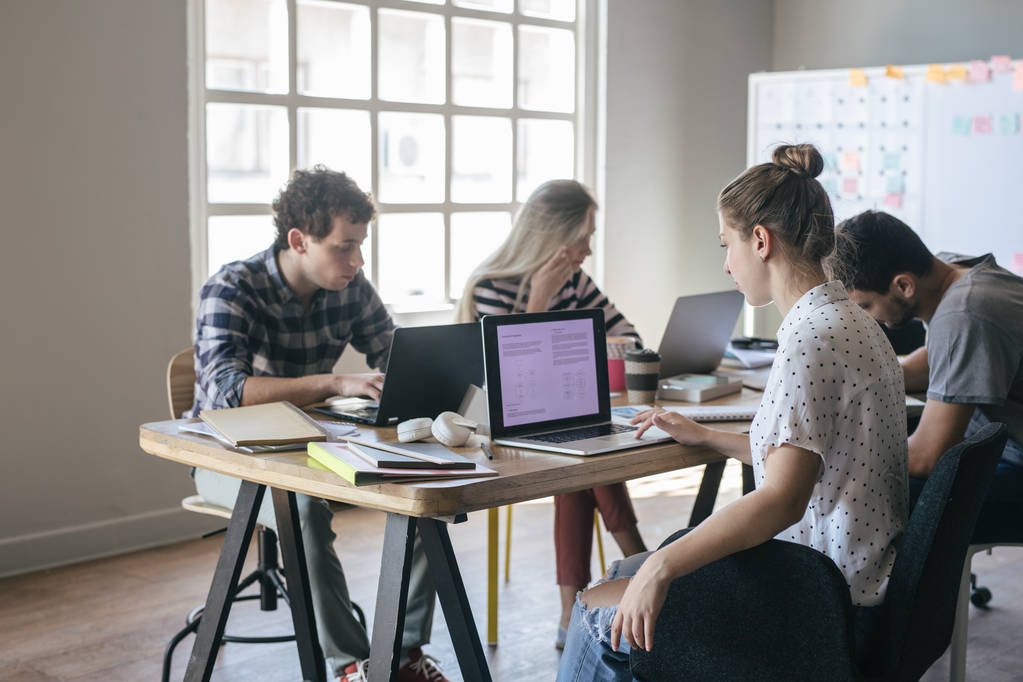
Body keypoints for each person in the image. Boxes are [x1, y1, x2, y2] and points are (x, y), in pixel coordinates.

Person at [556, 145, 908, 681]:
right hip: (859, 582)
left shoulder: (810, 340)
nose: (726, 264)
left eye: (728, 245)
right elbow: (811, 456)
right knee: (624, 576)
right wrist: (706, 435)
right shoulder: (853, 323)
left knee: (598, 606)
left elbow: (781, 501)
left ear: (760, 241)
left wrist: (663, 565)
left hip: (821, 603)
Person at [189, 166, 447, 682]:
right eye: (344, 246)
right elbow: (228, 392)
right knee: (301, 504)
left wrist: (443, 387)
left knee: (431, 486)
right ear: (298, 240)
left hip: (316, 446)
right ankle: (352, 665)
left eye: (360, 245)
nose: (357, 260)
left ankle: (402, 656)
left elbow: (396, 357)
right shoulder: (232, 288)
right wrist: (333, 382)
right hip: (224, 455)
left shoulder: (350, 288)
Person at [455, 179, 647, 647]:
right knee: (587, 456)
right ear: (554, 235)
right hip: (502, 429)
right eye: (584, 235)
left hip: (559, 423)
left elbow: (631, 337)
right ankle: (646, 566)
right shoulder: (489, 288)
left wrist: (583, 343)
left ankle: (571, 614)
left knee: (580, 459)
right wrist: (540, 303)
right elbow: (508, 378)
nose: (587, 249)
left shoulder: (576, 282)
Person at [828, 210, 1023, 542]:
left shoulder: (965, 313)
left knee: (861, 498)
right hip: (1001, 445)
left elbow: (927, 457)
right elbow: (940, 360)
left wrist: (831, 458)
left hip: (1015, 462)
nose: (867, 319)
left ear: (903, 285)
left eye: (865, 306)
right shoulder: (955, 272)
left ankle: (904, 595)